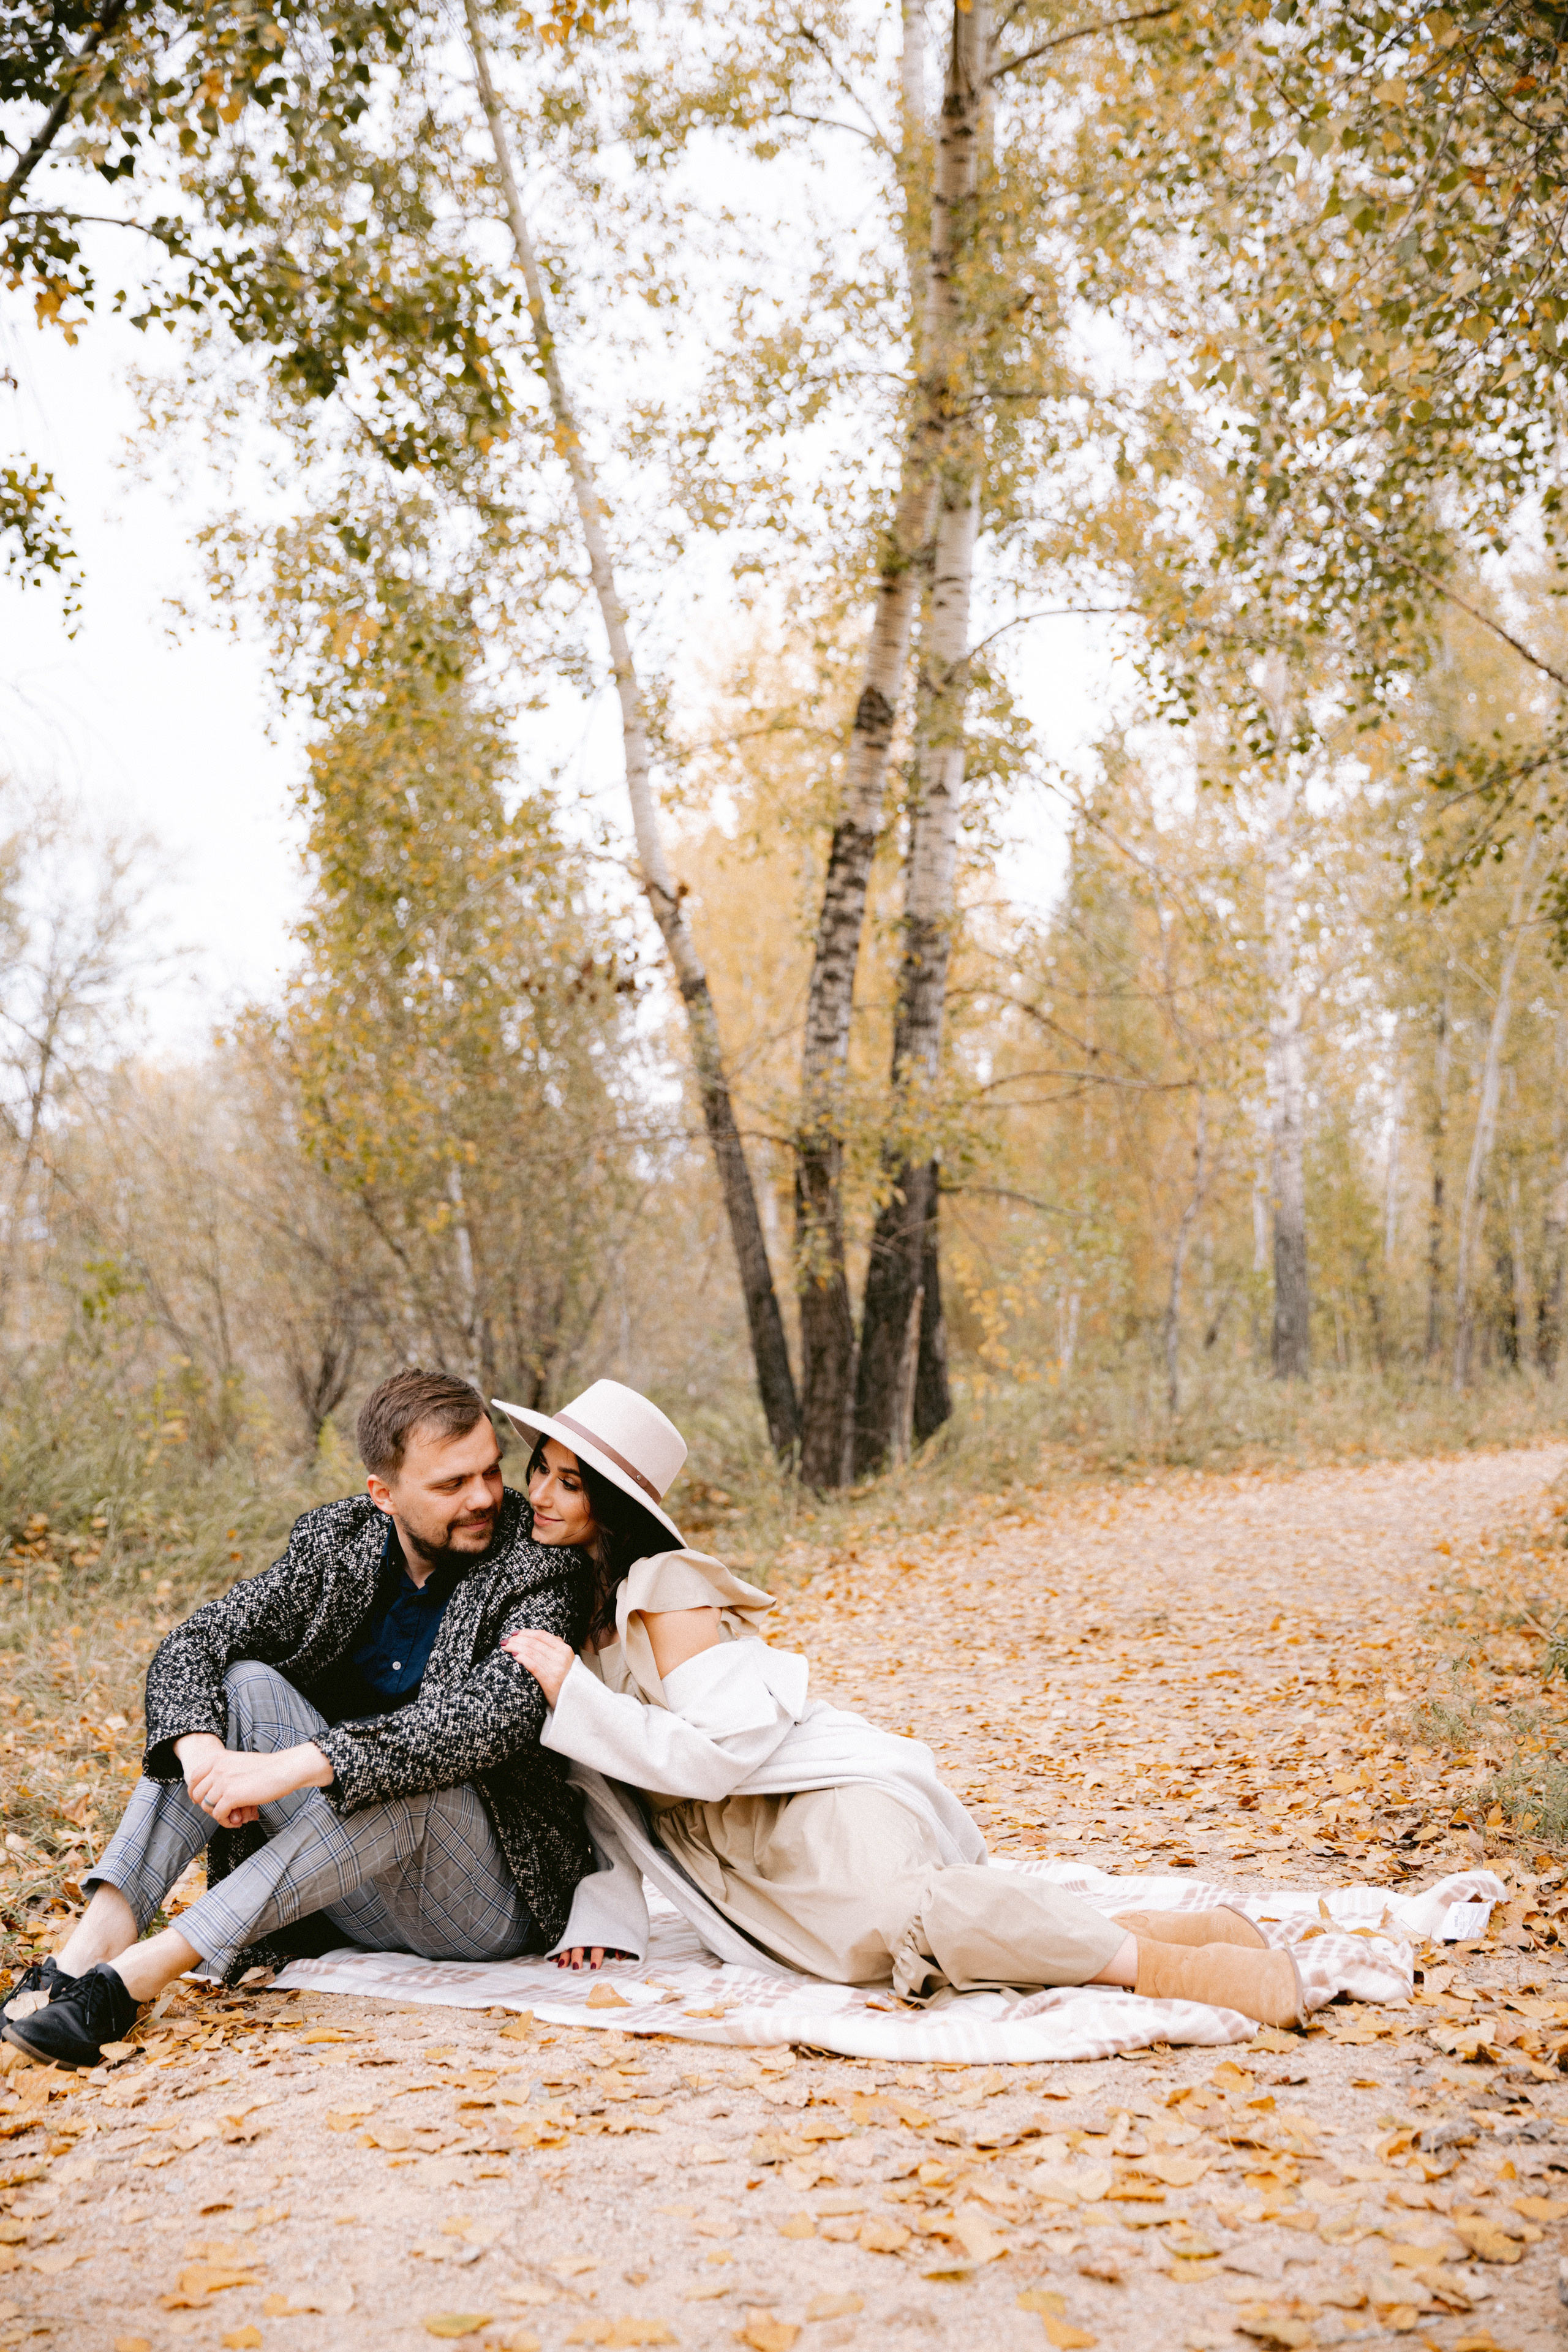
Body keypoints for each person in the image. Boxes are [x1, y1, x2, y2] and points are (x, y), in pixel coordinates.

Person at [492, 1381, 1305, 2027]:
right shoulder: (567, 1610)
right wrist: (605, 1920)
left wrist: (572, 1692)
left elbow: (714, 1754)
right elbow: (599, 1796)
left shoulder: (667, 1589)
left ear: (615, 1504)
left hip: (802, 1801)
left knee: (904, 1912)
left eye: (572, 1481)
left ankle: (1181, 1972)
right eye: (542, 1469)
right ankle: (1148, 1929)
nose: (542, 1493)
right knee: (866, 1956)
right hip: (729, 1861)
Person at [1, 1371, 595, 2070]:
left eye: (491, 1471)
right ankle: (88, 1950)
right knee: (240, 1682)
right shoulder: (335, 1543)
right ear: (384, 1494)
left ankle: (139, 1975)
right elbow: (196, 1641)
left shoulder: (538, 1560)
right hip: (344, 1878)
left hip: (482, 1897)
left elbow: (487, 1719)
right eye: (450, 1485)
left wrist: (300, 1762)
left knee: (404, 1784)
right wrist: (202, 1757)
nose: (484, 1498)